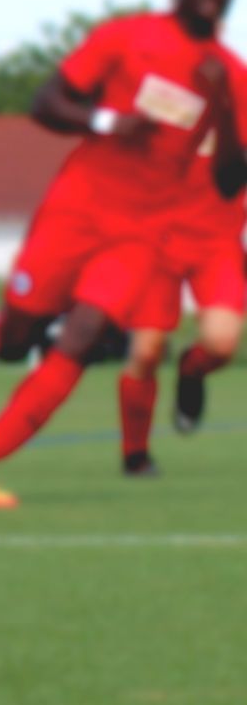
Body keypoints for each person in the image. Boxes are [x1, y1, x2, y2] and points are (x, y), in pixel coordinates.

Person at [0, 0, 240, 508]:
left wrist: (223, 105)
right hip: (75, 213)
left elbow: (230, 181)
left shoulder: (229, 74)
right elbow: (46, 102)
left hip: (142, 234)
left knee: (81, 340)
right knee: (13, 343)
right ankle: (24, 327)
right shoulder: (128, 37)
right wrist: (106, 121)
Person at [110, 39, 247, 469]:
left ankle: (192, 371)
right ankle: (135, 452)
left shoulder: (238, 91)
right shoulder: (158, 93)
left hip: (218, 239)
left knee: (222, 344)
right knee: (147, 351)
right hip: (158, 239)